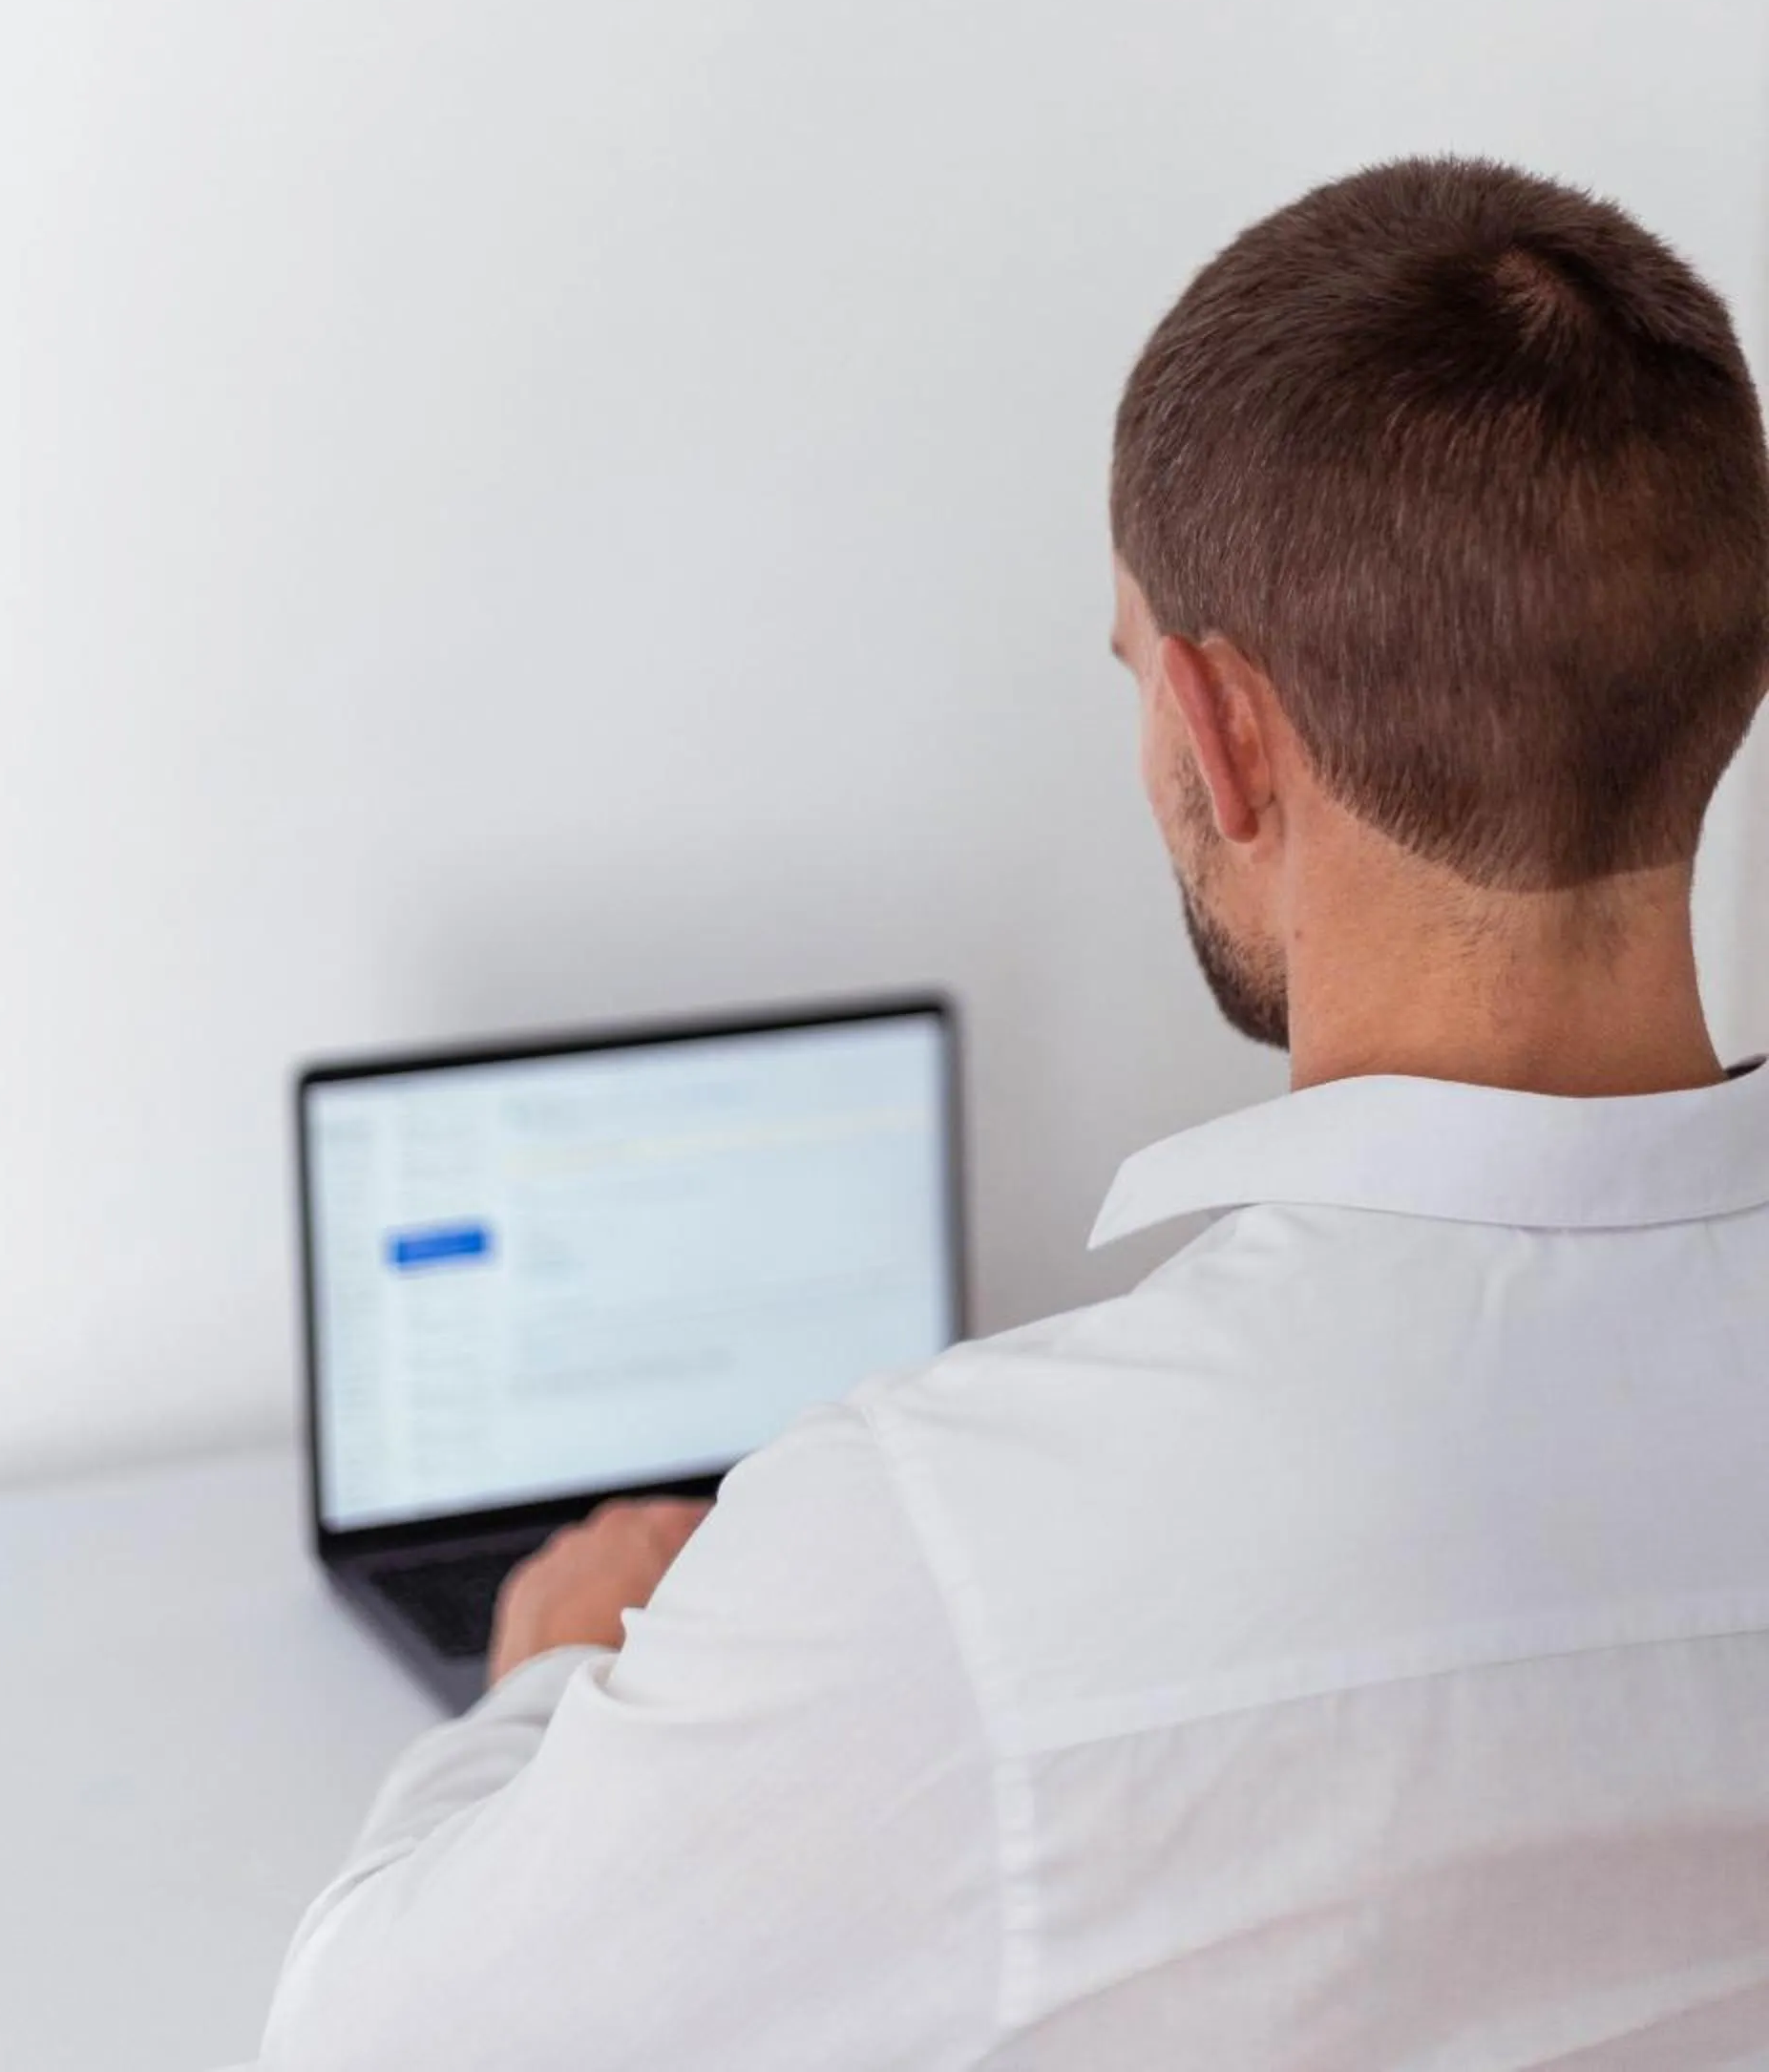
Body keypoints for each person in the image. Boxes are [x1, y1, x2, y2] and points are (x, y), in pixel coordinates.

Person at [259, 158, 1769, 2069]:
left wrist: (550, 1669)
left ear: (1220, 737)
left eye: (1137, 674)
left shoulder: (952, 1548)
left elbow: (363, 2042)